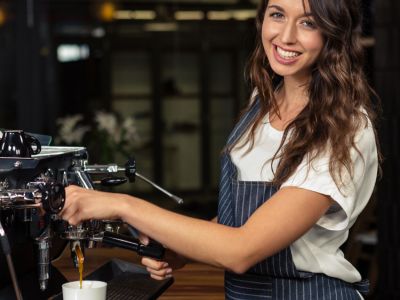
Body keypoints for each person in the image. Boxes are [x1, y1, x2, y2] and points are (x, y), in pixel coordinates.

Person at [60, 0, 381, 298]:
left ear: (334, 32)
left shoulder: (344, 128)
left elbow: (241, 249)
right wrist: (182, 250)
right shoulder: (263, 102)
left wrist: (123, 205)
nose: (286, 35)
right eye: (277, 14)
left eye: (308, 22)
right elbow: (238, 221)